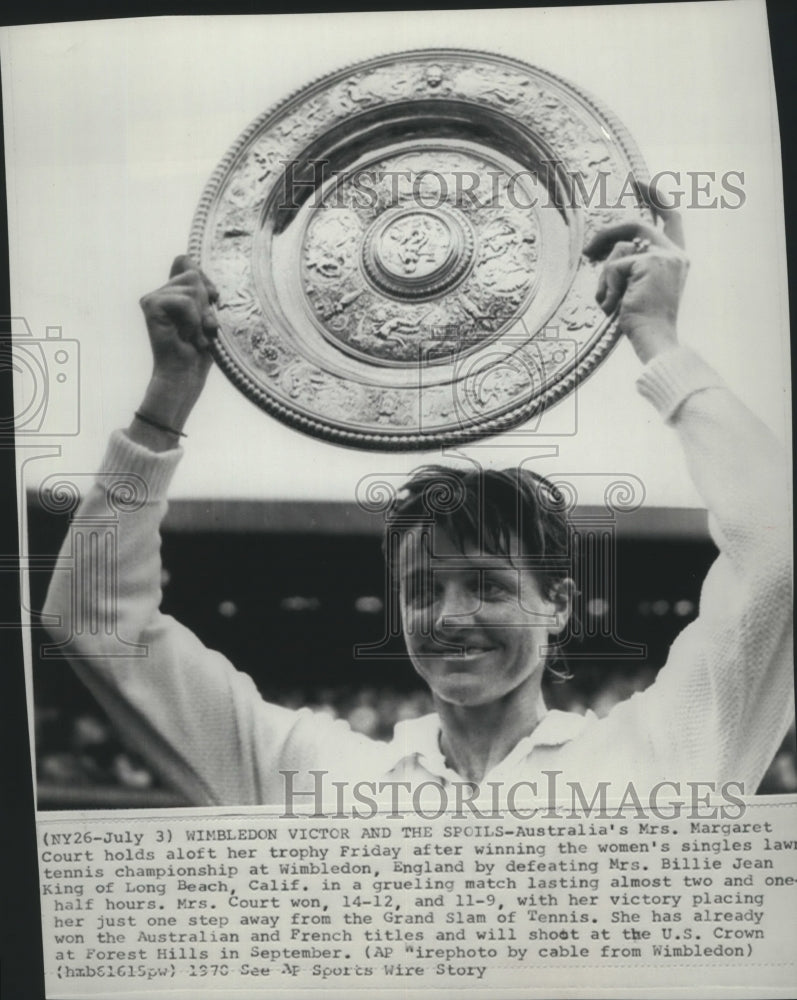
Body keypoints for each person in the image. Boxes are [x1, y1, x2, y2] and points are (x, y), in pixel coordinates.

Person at [42, 212, 793, 808]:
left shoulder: (667, 750)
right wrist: (166, 399)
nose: (448, 616)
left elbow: (779, 553)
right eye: (422, 589)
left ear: (557, 604)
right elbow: (95, 622)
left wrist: (657, 339)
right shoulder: (313, 774)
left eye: (489, 585)